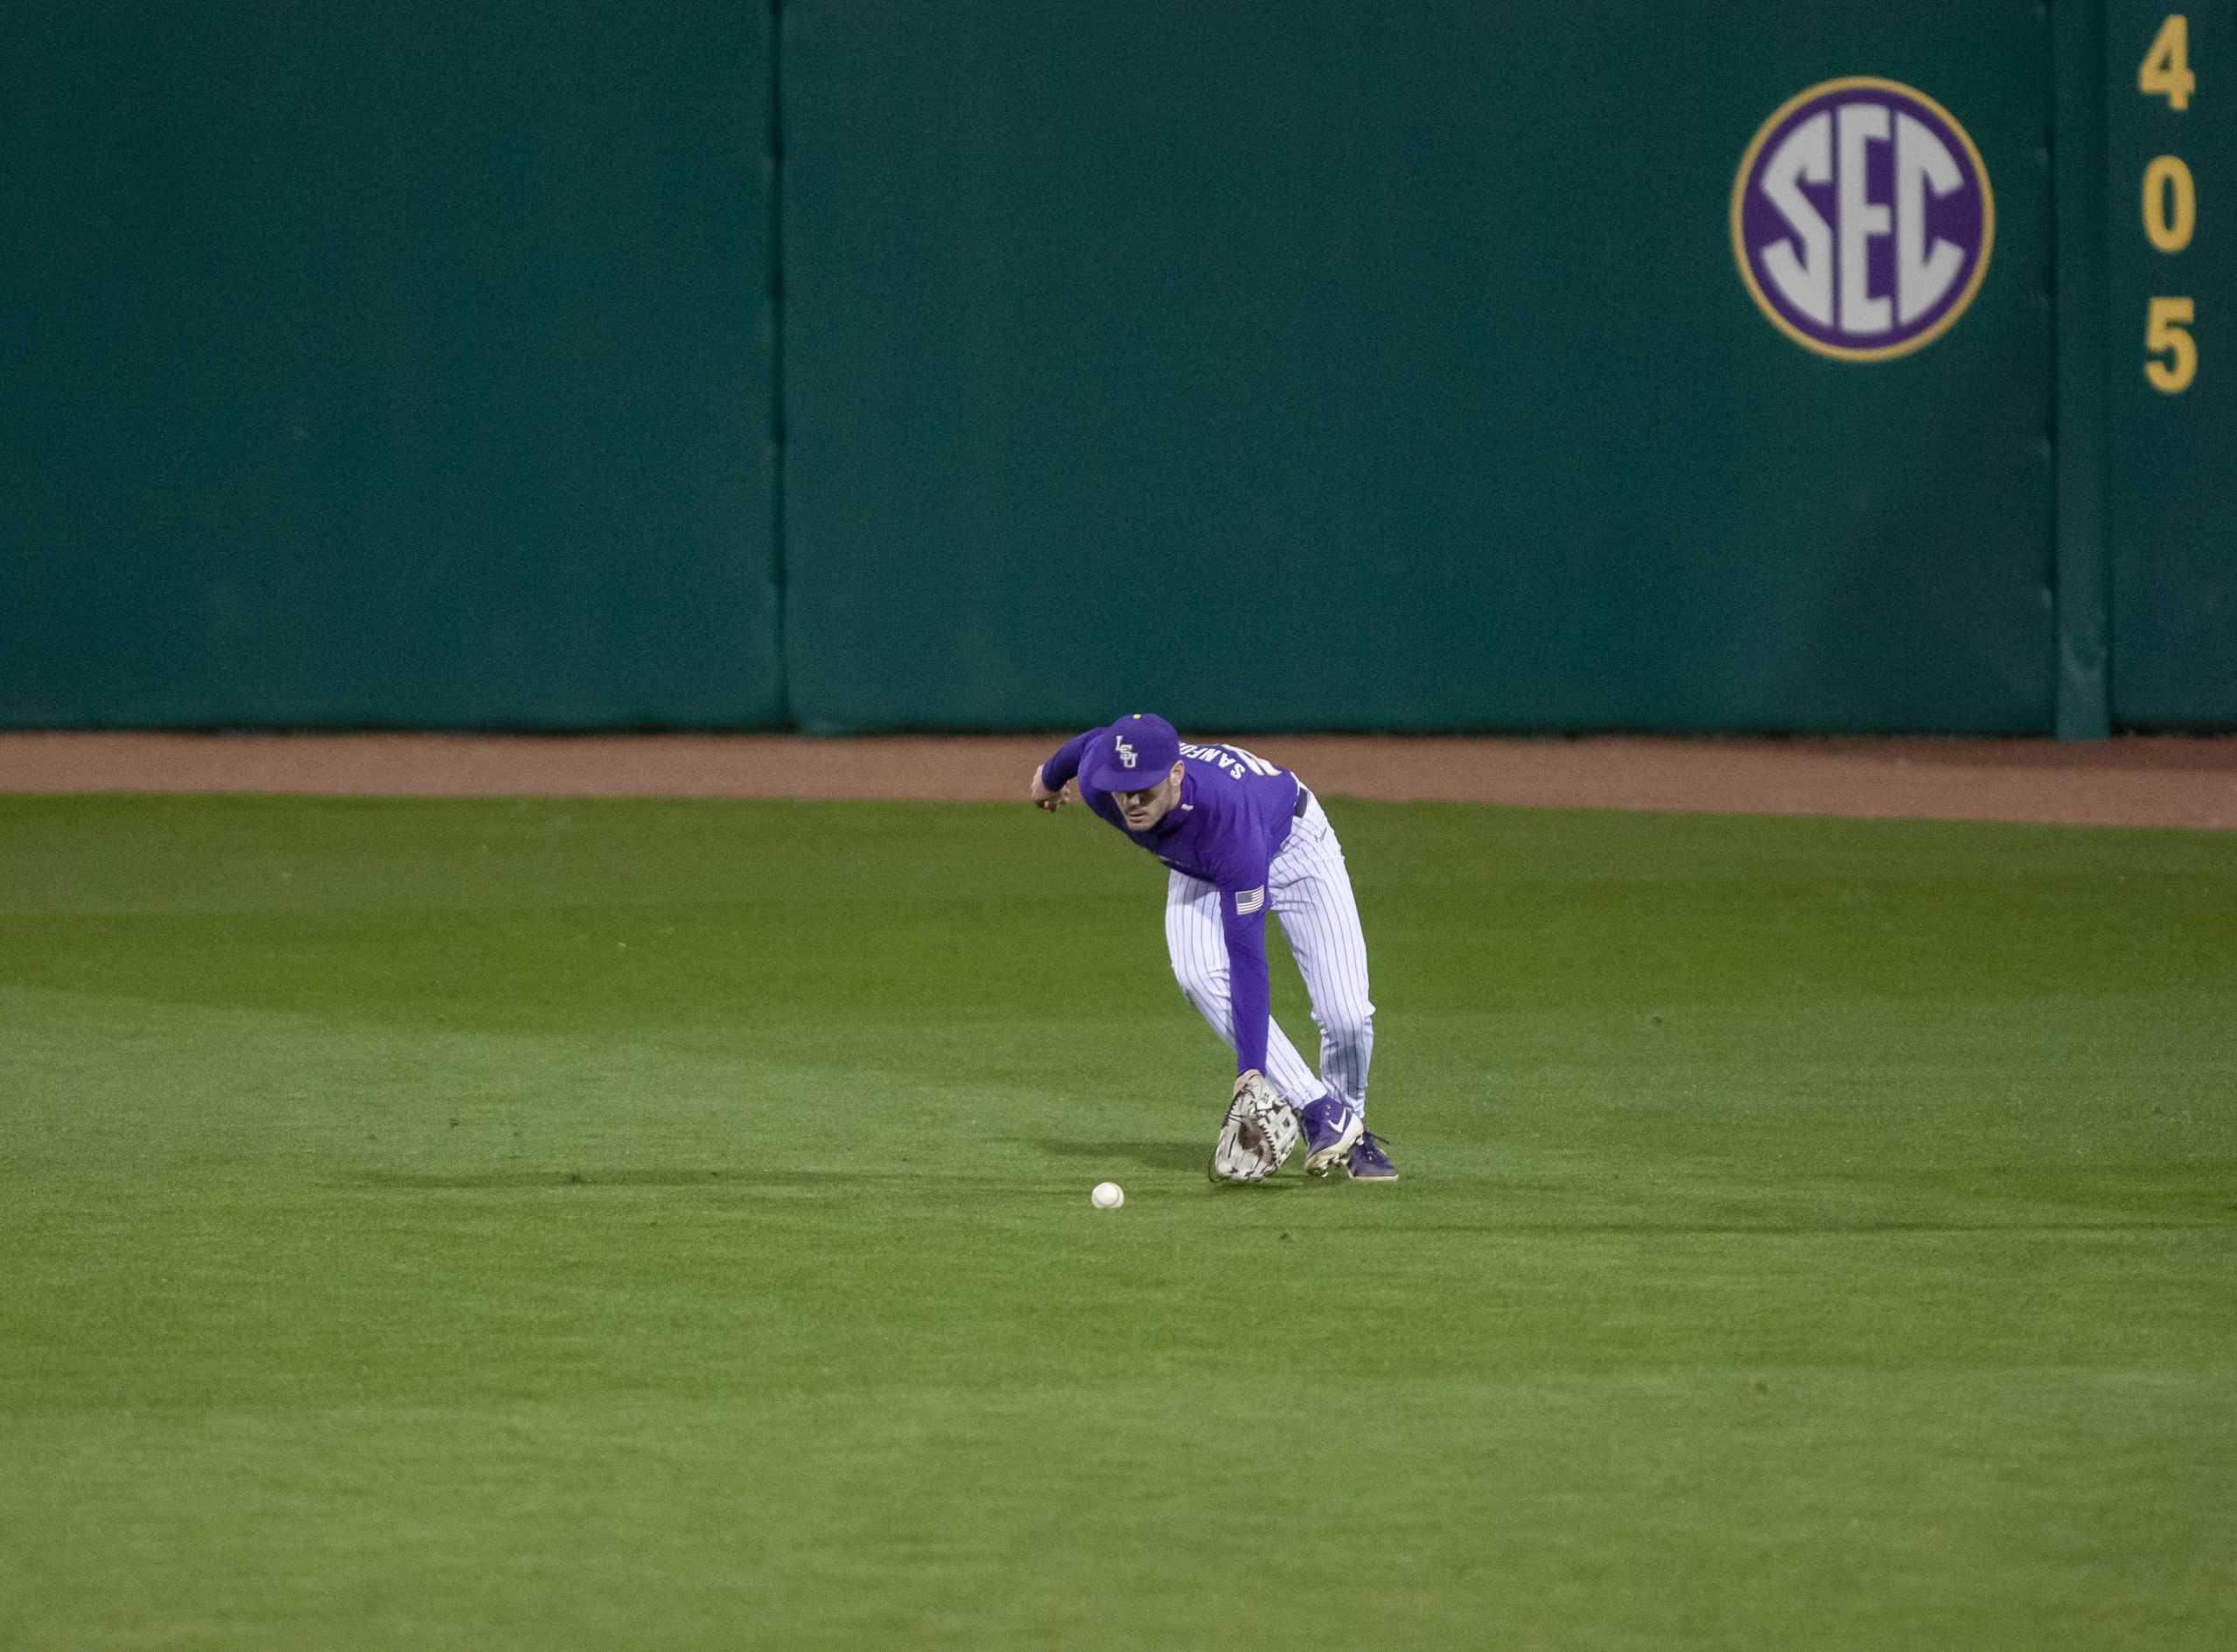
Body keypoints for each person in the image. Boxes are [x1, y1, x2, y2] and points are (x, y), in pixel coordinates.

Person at [1029, 713, 1395, 1180]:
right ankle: (1319, 1110)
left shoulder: (1231, 825)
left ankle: (1350, 1129)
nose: (1132, 802)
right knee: (1196, 975)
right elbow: (1086, 747)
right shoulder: (1105, 783)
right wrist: (1046, 778)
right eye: (1123, 788)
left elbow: (1246, 956)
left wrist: (1251, 1069)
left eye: (1145, 788)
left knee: (1346, 1015)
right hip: (1199, 864)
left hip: (1295, 848)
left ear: (1176, 774)